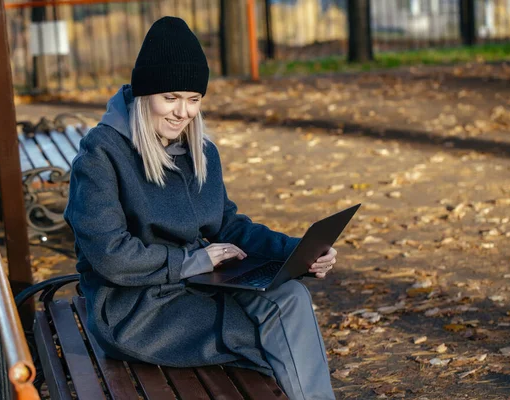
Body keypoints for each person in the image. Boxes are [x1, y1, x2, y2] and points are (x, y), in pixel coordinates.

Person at [64, 16, 337, 400]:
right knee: (274, 336)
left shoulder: (200, 151)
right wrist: (194, 260)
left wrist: (298, 252)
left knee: (291, 298)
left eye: (193, 100)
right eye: (170, 98)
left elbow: (227, 224)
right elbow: (111, 256)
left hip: (195, 286)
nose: (183, 112)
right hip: (135, 311)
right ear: (145, 96)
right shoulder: (101, 156)